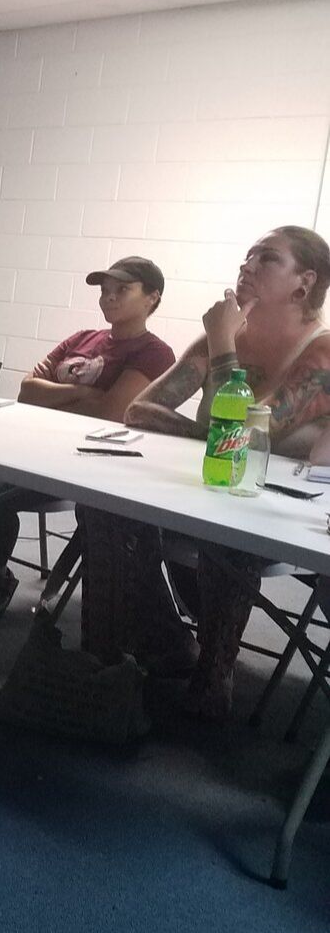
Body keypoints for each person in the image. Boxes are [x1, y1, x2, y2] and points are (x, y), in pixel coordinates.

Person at [81, 227, 330, 719]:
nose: (247, 265)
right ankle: (162, 641)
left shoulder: (320, 354)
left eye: (267, 258)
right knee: (105, 505)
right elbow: (140, 411)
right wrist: (217, 435)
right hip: (207, 489)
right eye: (248, 255)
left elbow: (245, 430)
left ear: (303, 283)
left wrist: (220, 344)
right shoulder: (225, 333)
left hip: (273, 514)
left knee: (227, 531)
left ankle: (216, 676)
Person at [0, 256, 175, 631]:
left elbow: (111, 413)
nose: (108, 297)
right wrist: (84, 393)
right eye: (105, 290)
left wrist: (59, 397)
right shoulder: (82, 338)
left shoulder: (154, 353)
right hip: (33, 445)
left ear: (152, 298)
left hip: (86, 460)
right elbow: (27, 391)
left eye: (122, 290)